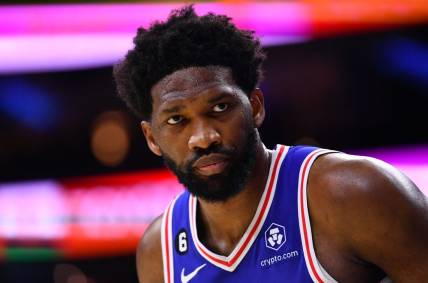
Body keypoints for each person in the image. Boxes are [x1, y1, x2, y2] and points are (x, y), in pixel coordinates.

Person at [113, 6, 428, 283]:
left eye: (220, 108)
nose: (204, 137)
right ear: (152, 138)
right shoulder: (160, 252)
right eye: (176, 120)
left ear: (256, 106)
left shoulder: (355, 193)